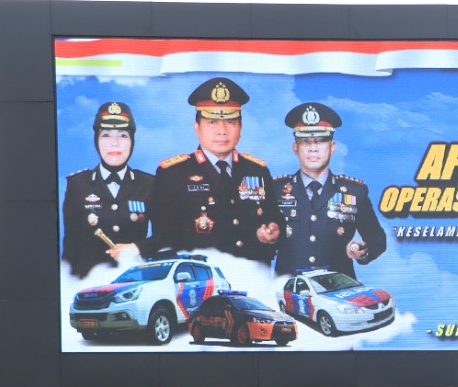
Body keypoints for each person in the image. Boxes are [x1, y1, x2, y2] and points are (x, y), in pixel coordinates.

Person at [150, 77, 278, 260]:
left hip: (254, 278)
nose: (222, 131)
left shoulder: (257, 171)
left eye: (230, 122)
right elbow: (164, 241)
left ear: (240, 128)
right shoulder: (172, 174)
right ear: (197, 127)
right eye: (212, 122)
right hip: (202, 282)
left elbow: (274, 217)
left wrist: (274, 231)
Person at [268, 102, 386, 278]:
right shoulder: (275, 190)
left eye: (321, 140)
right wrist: (266, 239)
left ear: (332, 147)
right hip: (289, 292)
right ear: (295, 148)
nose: (313, 147)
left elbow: (377, 239)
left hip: (338, 293)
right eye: (305, 140)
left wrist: (362, 250)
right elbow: (257, 241)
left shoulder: (354, 192)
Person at [62, 101, 152, 279]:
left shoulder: (149, 184)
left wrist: (137, 248)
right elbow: (70, 247)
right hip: (87, 285)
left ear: (132, 141)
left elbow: (166, 238)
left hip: (133, 282)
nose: (115, 143)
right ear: (96, 140)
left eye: (123, 135)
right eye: (106, 135)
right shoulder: (77, 184)